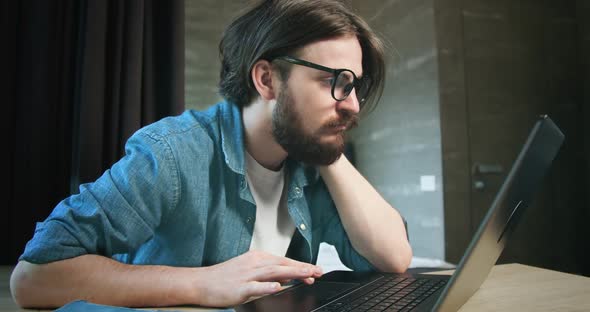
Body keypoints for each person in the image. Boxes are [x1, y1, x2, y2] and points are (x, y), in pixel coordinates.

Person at [10, 0, 412, 309]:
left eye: (355, 86)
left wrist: (329, 144)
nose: (355, 105)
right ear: (267, 79)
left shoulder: (309, 164)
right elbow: (33, 277)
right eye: (335, 82)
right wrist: (204, 283)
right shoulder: (172, 153)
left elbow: (394, 258)